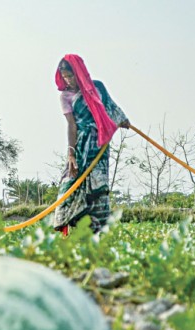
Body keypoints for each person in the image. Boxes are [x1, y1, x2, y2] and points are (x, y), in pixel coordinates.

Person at [53, 54, 131, 234]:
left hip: (99, 145)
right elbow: (72, 125)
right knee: (71, 183)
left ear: (79, 73)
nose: (68, 80)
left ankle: (97, 230)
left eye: (70, 76)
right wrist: (71, 154)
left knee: (98, 186)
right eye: (64, 77)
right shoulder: (65, 96)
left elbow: (110, 107)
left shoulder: (97, 87)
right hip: (81, 146)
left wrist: (122, 120)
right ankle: (69, 223)